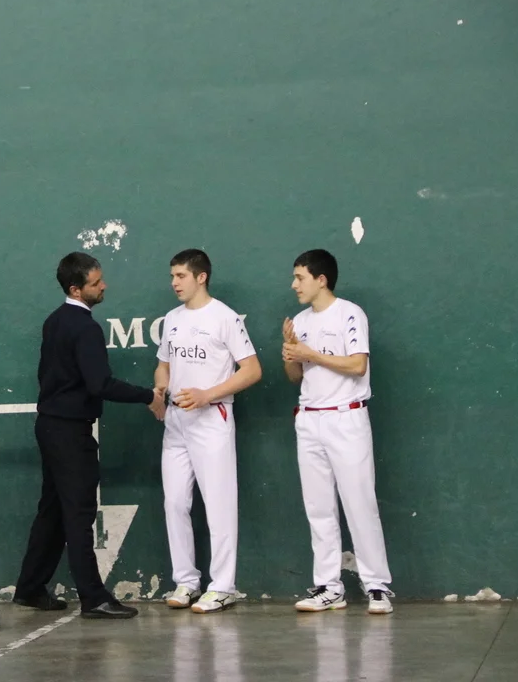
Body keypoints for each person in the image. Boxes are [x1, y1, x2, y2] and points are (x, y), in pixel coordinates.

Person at [12, 252, 165, 619]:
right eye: (96, 283)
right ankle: (93, 597)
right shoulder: (85, 327)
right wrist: (149, 396)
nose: (104, 286)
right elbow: (100, 383)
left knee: (52, 511)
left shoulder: (55, 321)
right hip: (70, 432)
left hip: (50, 427)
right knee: (78, 515)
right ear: (76, 289)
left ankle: (30, 588)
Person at [282, 249, 394, 614]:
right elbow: (295, 377)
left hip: (347, 419)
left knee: (360, 504)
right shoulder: (300, 321)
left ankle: (377, 586)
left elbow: (358, 365)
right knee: (318, 508)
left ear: (321, 279)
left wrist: (310, 354)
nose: (294, 285)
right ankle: (328, 587)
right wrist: (291, 354)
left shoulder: (349, 313)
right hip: (309, 419)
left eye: (300, 277)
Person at [155, 249, 262, 613]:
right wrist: (160, 390)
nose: (174, 283)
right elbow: (163, 366)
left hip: (212, 418)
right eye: (172, 276)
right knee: (174, 503)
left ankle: (223, 586)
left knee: (219, 504)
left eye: (181, 276)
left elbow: (252, 370)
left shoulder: (225, 317)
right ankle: (186, 581)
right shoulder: (172, 319)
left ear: (201, 277)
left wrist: (207, 395)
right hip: (176, 423)